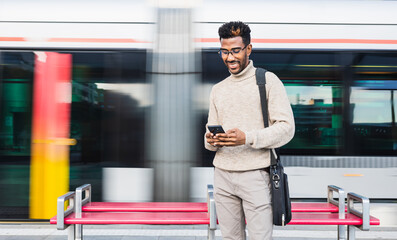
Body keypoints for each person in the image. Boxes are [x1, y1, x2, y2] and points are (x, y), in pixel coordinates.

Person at [204, 21, 295, 240]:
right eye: (224, 52)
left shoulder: (268, 81)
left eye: (235, 50)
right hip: (222, 175)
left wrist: (247, 138)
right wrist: (211, 139)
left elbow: (286, 129)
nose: (229, 57)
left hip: (256, 175)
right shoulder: (218, 89)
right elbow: (208, 139)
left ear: (248, 49)